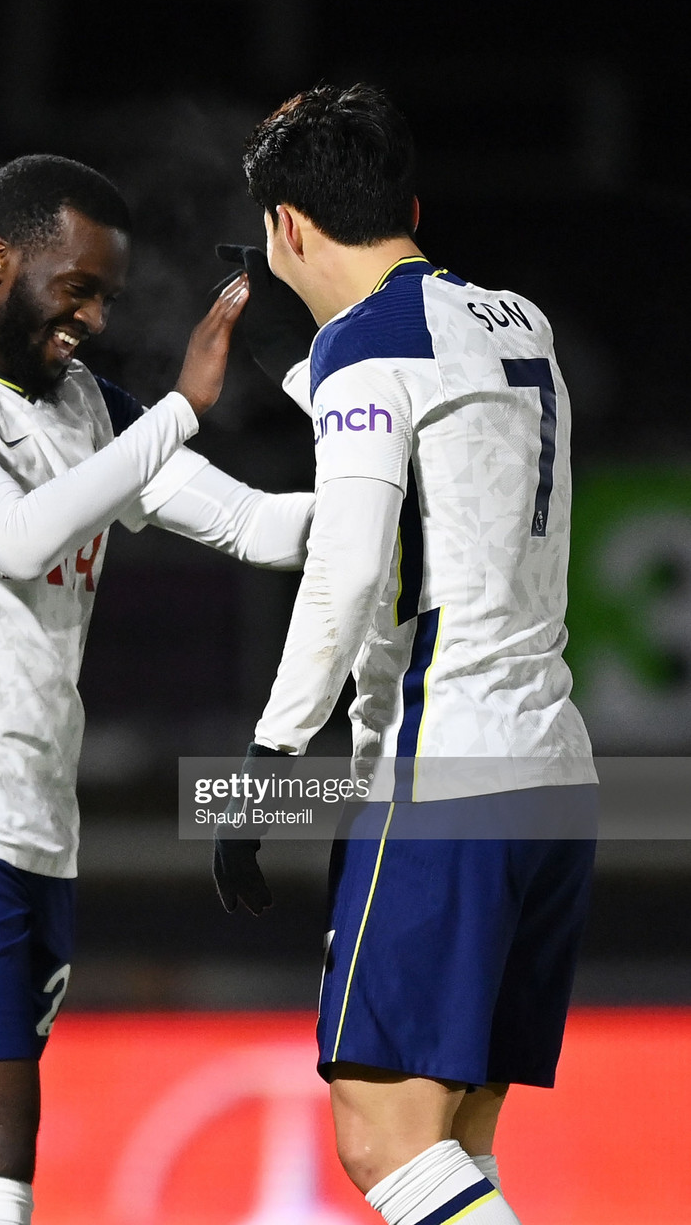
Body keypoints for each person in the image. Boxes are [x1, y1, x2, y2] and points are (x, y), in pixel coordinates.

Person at [0, 154, 314, 1225]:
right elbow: (21, 535)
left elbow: (261, 527)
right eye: (73, 286)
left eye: (107, 296)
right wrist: (180, 408)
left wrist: (394, 490)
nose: (89, 316)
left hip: (33, 824)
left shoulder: (87, 407)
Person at [213, 85, 598, 1225]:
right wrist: (309, 362)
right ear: (411, 207)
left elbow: (347, 565)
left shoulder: (367, 354)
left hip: (444, 773)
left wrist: (270, 760)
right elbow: (433, 437)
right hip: (553, 774)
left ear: (285, 229)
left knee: (382, 1141)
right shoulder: (519, 321)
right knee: (454, 1151)